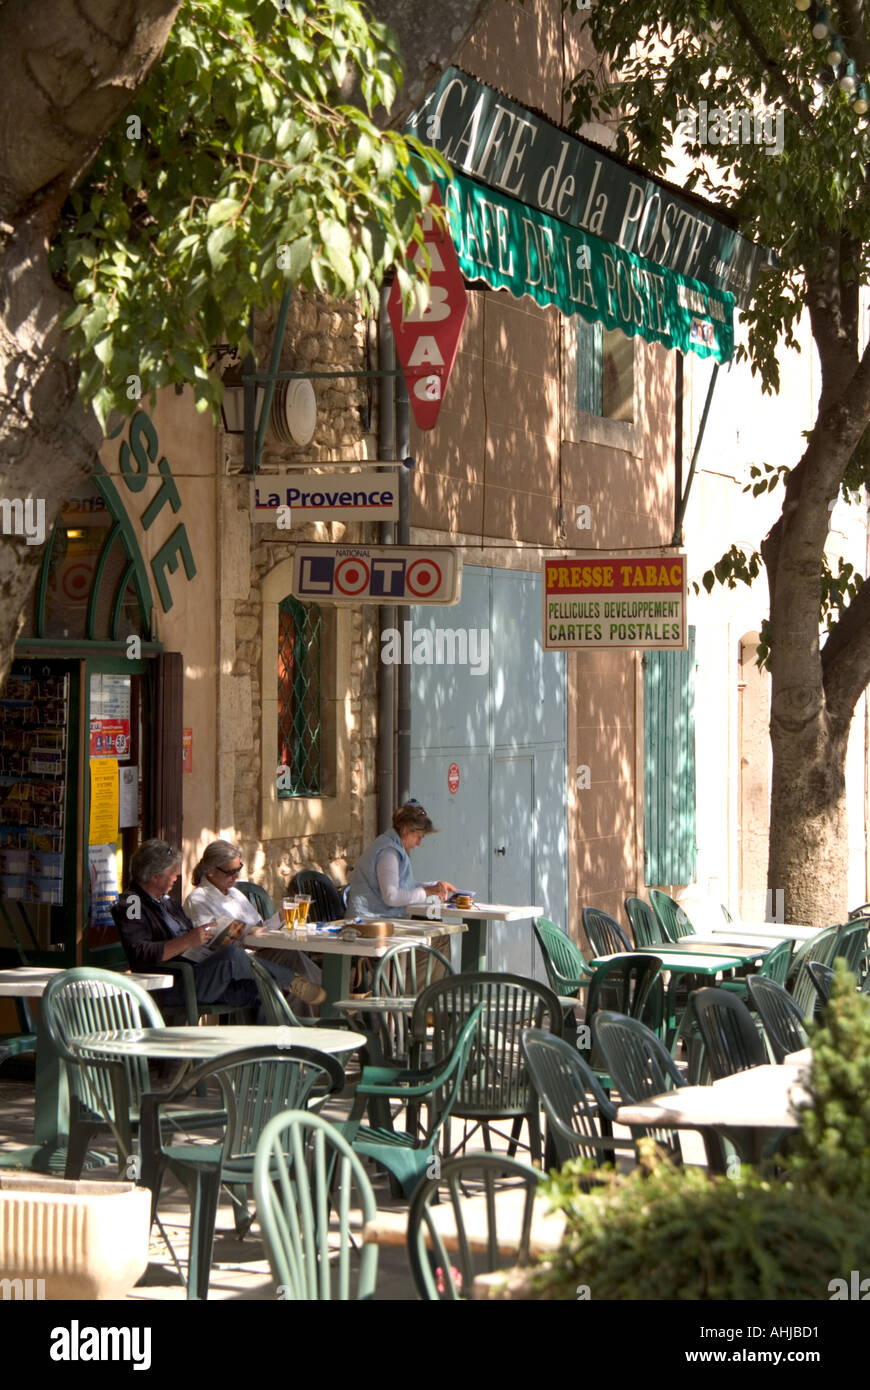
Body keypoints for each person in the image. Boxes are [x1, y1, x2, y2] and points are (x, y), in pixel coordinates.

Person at [114, 839, 325, 1013]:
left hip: (201, 972)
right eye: (173, 873)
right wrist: (188, 940)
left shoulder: (166, 902)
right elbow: (140, 953)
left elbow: (191, 938)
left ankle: (274, 1056)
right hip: (176, 984)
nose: (177, 878)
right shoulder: (133, 902)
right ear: (154, 875)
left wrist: (207, 938)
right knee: (233, 955)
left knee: (265, 990)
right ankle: (290, 980)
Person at [184, 839, 323, 1008]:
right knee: (293, 966)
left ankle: (322, 998)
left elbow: (259, 926)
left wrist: (279, 919)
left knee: (293, 957)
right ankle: (327, 1001)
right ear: (211, 871)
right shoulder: (199, 899)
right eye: (230, 872)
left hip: (254, 955)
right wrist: (248, 932)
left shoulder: (235, 894)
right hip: (226, 968)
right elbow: (215, 936)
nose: (236, 876)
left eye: (239, 869)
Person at [347, 802, 455, 919]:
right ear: (405, 830)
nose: (419, 843)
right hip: (368, 921)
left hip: (376, 919)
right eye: (418, 837)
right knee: (435, 926)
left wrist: (435, 886)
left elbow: (404, 886)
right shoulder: (389, 852)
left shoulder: (390, 845)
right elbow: (392, 896)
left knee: (435, 922)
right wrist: (427, 891)